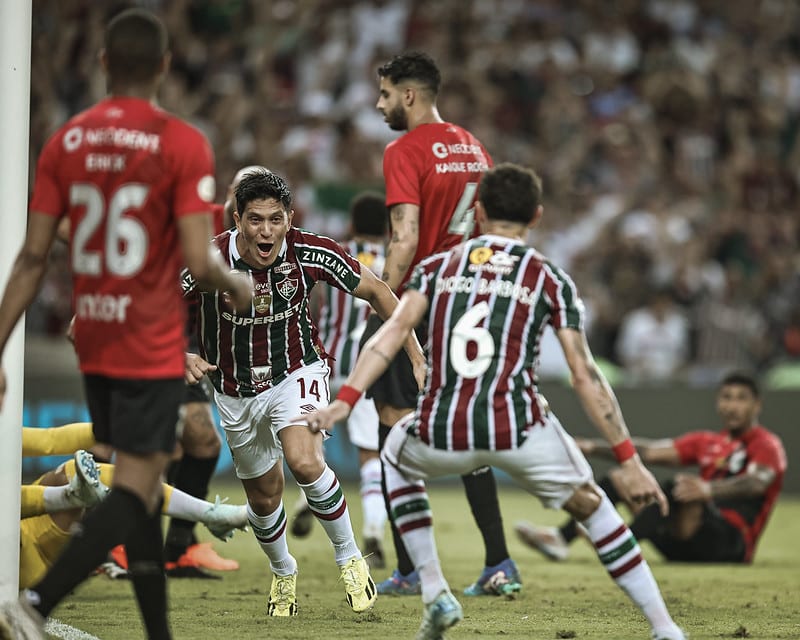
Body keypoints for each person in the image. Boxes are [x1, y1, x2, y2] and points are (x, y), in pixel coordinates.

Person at [298, 163, 686, 640]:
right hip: (519, 426)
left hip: (443, 425)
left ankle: (435, 590)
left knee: (392, 458)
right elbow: (585, 376)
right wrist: (628, 459)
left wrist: (346, 399)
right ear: (537, 216)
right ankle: (664, 628)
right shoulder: (549, 278)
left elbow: (391, 332)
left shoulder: (435, 269)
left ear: (477, 213)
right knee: (593, 505)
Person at [0, 9, 252, 640]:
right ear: (165, 66)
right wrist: (235, 283)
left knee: (137, 482)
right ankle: (34, 603)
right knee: (136, 490)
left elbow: (34, 256)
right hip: (150, 340)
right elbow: (198, 260)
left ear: (104, 63)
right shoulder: (182, 142)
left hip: (96, 337)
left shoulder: (67, 141)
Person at [183, 168, 425, 617]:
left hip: (297, 371)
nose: (266, 231)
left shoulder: (309, 250)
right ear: (237, 219)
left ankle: (350, 558)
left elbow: (378, 290)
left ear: (289, 218)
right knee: (263, 496)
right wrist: (180, 354)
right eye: (255, 220)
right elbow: (158, 305)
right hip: (235, 390)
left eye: (276, 219)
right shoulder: (207, 260)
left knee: (305, 460)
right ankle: (283, 570)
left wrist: (414, 353)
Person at [366, 50, 520, 597]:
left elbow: (404, 237)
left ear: (409, 95)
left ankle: (409, 569)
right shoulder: (473, 146)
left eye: (385, 94)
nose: (379, 104)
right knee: (467, 430)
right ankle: (499, 562)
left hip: (415, 304)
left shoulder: (403, 148)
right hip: (465, 305)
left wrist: (380, 295)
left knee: (393, 426)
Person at [516, 371, 786, 565]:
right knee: (623, 478)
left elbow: (757, 482)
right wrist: (591, 446)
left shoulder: (766, 444)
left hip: (731, 545)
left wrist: (707, 489)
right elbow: (647, 451)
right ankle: (561, 539)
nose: (732, 405)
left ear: (756, 404)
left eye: (741, 398)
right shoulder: (708, 442)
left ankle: (621, 547)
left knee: (677, 488)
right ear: (718, 403)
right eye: (727, 397)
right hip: (680, 544)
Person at [291, 191, 390, 569]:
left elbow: (309, 300)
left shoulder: (332, 252)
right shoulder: (391, 260)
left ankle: (304, 501)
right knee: (371, 456)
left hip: (325, 362)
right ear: (386, 226)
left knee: (312, 445)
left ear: (351, 223)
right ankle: (375, 535)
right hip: (368, 367)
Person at [19, 442, 248, 590]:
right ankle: (78, 498)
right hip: (24, 559)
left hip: (31, 526)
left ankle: (212, 513)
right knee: (80, 482)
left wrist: (114, 429)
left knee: (72, 471)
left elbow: (50, 438)